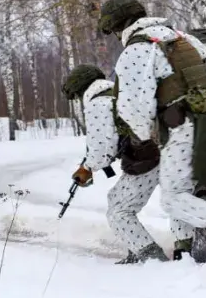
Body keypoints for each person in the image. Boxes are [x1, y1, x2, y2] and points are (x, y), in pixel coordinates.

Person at [98, 0, 206, 264]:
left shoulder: (136, 51)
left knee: (173, 199)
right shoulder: (184, 38)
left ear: (119, 26)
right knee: (185, 192)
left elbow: (134, 109)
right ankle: (185, 256)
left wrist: (143, 139)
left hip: (180, 129)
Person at [62, 64, 195, 263]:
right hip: (177, 146)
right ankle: (185, 252)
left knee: (118, 208)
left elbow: (102, 149)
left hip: (149, 157)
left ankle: (151, 258)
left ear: (81, 90)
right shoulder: (124, 90)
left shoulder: (97, 104)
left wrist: (87, 168)